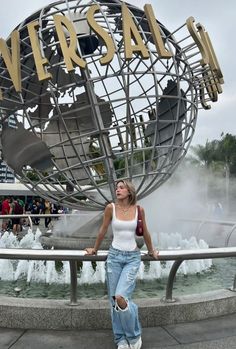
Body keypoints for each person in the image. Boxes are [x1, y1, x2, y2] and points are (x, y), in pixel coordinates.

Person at [85, 180, 159, 349]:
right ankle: (120, 339)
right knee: (114, 302)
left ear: (129, 191)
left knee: (121, 297)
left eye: (121, 187)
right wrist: (95, 249)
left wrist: (151, 250)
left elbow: (145, 232)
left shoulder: (139, 210)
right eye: (117, 188)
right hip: (114, 257)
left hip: (132, 257)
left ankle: (134, 336)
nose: (117, 190)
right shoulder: (111, 208)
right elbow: (103, 229)